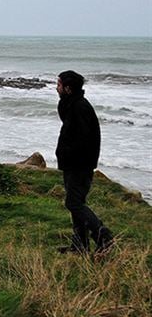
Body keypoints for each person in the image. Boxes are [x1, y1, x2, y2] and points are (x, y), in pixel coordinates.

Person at [55, 69, 114, 255]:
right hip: (73, 162)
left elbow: (82, 139)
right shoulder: (71, 104)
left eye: (58, 84)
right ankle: (80, 246)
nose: (55, 88)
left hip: (79, 164)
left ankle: (103, 236)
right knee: (75, 202)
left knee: (74, 203)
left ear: (68, 88)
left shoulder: (79, 107)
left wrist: (68, 155)